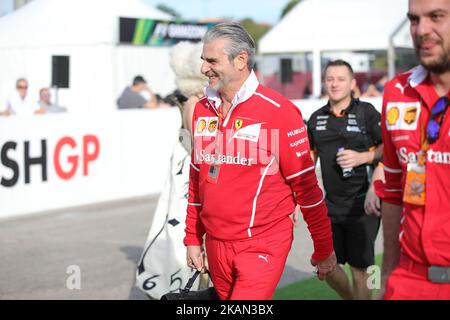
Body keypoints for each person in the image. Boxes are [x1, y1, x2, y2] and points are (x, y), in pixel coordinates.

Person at [184, 22, 336, 300]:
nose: (204, 69)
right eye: (203, 60)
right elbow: (197, 178)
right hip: (216, 243)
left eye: (212, 61)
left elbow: (306, 188)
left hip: (263, 243)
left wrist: (323, 248)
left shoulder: (279, 112)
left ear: (241, 60)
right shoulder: (202, 109)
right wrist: (193, 238)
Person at [378, 0, 450, 300]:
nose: (422, 30)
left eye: (436, 17)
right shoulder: (397, 92)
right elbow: (393, 190)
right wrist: (387, 278)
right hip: (410, 280)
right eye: (413, 19)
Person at [136, 41, 209, 299]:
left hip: (186, 168)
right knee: (186, 232)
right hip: (192, 172)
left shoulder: (193, 100)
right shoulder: (195, 102)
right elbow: (196, 145)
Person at [307, 60, 383, 300]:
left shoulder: (367, 113)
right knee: (324, 264)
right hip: (330, 205)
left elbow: (388, 150)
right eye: (330, 79)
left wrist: (363, 157)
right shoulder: (315, 119)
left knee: (363, 267)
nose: (334, 84)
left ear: (352, 83)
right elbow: (307, 164)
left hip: (363, 203)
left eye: (340, 79)